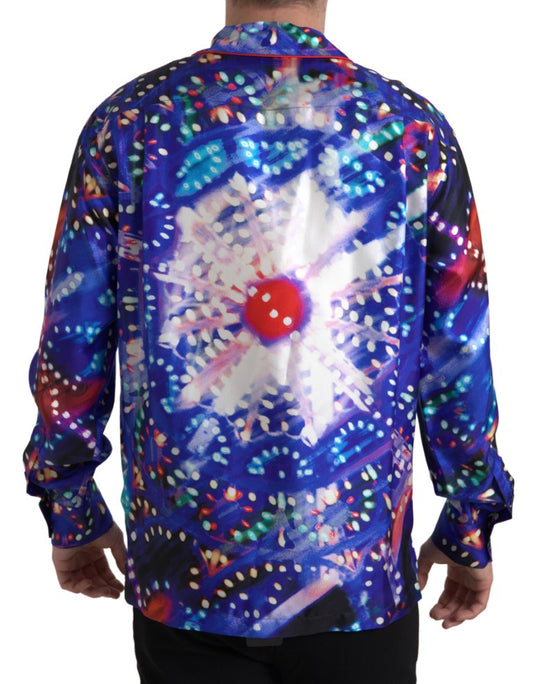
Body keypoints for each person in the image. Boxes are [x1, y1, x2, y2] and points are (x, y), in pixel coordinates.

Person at [23, 0, 514, 682]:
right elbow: (458, 352)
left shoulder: (130, 121)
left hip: (183, 573)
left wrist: (71, 508)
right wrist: (467, 522)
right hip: (357, 576)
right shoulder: (410, 129)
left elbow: (72, 340)